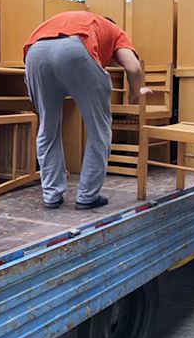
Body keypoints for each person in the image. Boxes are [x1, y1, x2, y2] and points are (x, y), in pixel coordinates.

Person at [23, 11, 150, 210]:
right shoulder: (115, 31)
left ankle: (51, 195)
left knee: (47, 128)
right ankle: (87, 196)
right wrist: (136, 92)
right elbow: (133, 68)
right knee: (99, 130)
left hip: (35, 52)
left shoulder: (81, 19)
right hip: (76, 50)